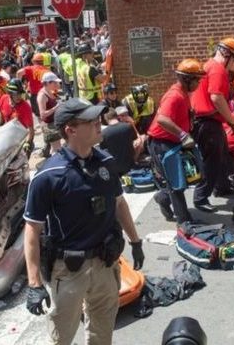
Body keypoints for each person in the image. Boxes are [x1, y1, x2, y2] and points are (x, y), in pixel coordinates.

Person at [23, 97, 144, 345]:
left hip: (106, 264)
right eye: (91, 120)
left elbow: (119, 203)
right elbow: (32, 230)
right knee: (62, 337)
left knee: (102, 334)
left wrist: (136, 241)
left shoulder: (106, 163)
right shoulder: (48, 176)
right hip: (68, 271)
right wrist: (34, 284)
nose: (99, 124)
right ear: (71, 129)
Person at [147, 58, 204, 223]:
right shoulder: (175, 96)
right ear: (187, 79)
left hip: (172, 142)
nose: (199, 83)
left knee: (185, 177)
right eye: (197, 79)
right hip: (162, 143)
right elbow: (163, 120)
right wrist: (183, 135)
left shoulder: (183, 93)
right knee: (175, 182)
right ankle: (184, 220)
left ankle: (163, 197)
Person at [190, 37, 234, 212]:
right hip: (208, 122)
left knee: (222, 156)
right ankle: (201, 197)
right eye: (233, 58)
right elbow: (216, 97)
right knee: (211, 161)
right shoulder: (218, 70)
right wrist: (231, 121)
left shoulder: (208, 66)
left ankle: (222, 186)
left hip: (205, 121)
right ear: (226, 54)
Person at [0, 78, 34, 155]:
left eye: (20, 94)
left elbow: (31, 130)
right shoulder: (3, 99)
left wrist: (27, 143)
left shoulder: (25, 107)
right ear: (10, 93)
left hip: (21, 140)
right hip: (8, 139)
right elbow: (0, 121)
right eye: (16, 94)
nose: (19, 97)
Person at [100, 107, 138, 176]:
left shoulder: (104, 133)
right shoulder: (128, 127)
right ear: (116, 116)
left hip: (115, 168)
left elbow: (102, 150)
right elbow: (135, 140)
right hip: (130, 164)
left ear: (105, 118)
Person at [37, 72, 63, 157]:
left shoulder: (50, 91)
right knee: (56, 149)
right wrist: (56, 107)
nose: (57, 84)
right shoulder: (42, 96)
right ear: (48, 83)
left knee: (58, 147)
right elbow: (43, 115)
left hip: (54, 123)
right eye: (54, 82)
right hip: (49, 126)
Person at [17, 53, 48, 117]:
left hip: (34, 93)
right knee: (45, 109)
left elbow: (19, 72)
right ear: (43, 61)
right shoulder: (46, 69)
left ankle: (42, 124)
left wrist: (19, 84)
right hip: (45, 93)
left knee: (37, 111)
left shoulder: (30, 68)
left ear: (33, 61)